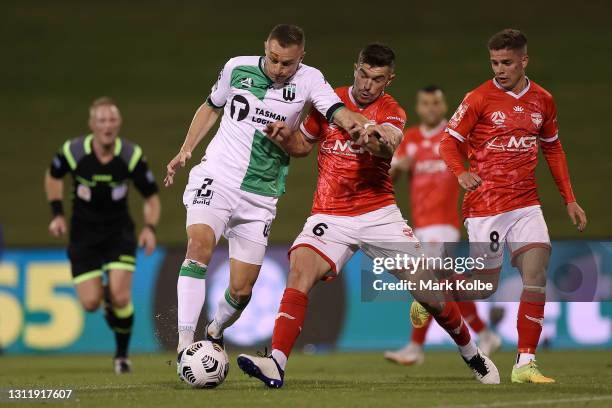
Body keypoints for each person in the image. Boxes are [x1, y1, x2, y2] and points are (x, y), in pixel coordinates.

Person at [236, 44, 500, 388]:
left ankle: (472, 353)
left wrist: (371, 137)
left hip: (379, 214)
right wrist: (286, 137)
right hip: (330, 214)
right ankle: (277, 363)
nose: (366, 84)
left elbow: (388, 143)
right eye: (362, 73)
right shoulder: (330, 100)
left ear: (389, 80)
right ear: (355, 67)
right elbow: (303, 146)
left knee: (430, 294)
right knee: (300, 269)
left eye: (377, 79)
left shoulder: (392, 110)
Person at [163, 24, 367, 375]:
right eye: (273, 59)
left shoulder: (310, 80)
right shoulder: (236, 68)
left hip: (261, 194)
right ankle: (185, 346)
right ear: (265, 49)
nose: (278, 69)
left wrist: (358, 126)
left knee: (241, 291)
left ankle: (213, 331)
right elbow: (211, 106)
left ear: (301, 58)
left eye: (287, 63)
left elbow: (336, 110)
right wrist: (186, 150)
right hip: (218, 176)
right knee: (198, 245)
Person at [437, 28, 587, 383]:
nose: (499, 69)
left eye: (506, 62)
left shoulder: (543, 101)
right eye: (494, 62)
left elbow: (553, 148)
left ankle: (525, 364)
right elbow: (448, 142)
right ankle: (434, 290)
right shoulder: (478, 98)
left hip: (526, 204)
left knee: (536, 276)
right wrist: (460, 172)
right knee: (484, 286)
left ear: (524, 61)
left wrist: (570, 199)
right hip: (486, 204)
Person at [384, 86, 501, 366]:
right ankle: (486, 334)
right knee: (443, 284)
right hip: (420, 224)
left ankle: (415, 347)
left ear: (444, 105)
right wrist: (401, 167)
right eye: (426, 103)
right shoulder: (409, 138)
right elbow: (388, 177)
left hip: (445, 224)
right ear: (419, 107)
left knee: (428, 282)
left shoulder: (452, 138)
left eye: (436, 102)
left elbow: (479, 159)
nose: (431, 108)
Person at [45, 97, 161, 373]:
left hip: (118, 233)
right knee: (90, 303)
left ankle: (121, 356)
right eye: (101, 121)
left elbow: (151, 197)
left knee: (121, 297)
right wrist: (57, 214)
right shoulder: (73, 151)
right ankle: (105, 299)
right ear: (91, 125)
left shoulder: (130, 155)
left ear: (119, 124)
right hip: (83, 235)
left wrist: (149, 228)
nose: (107, 126)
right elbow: (53, 176)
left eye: (111, 120)